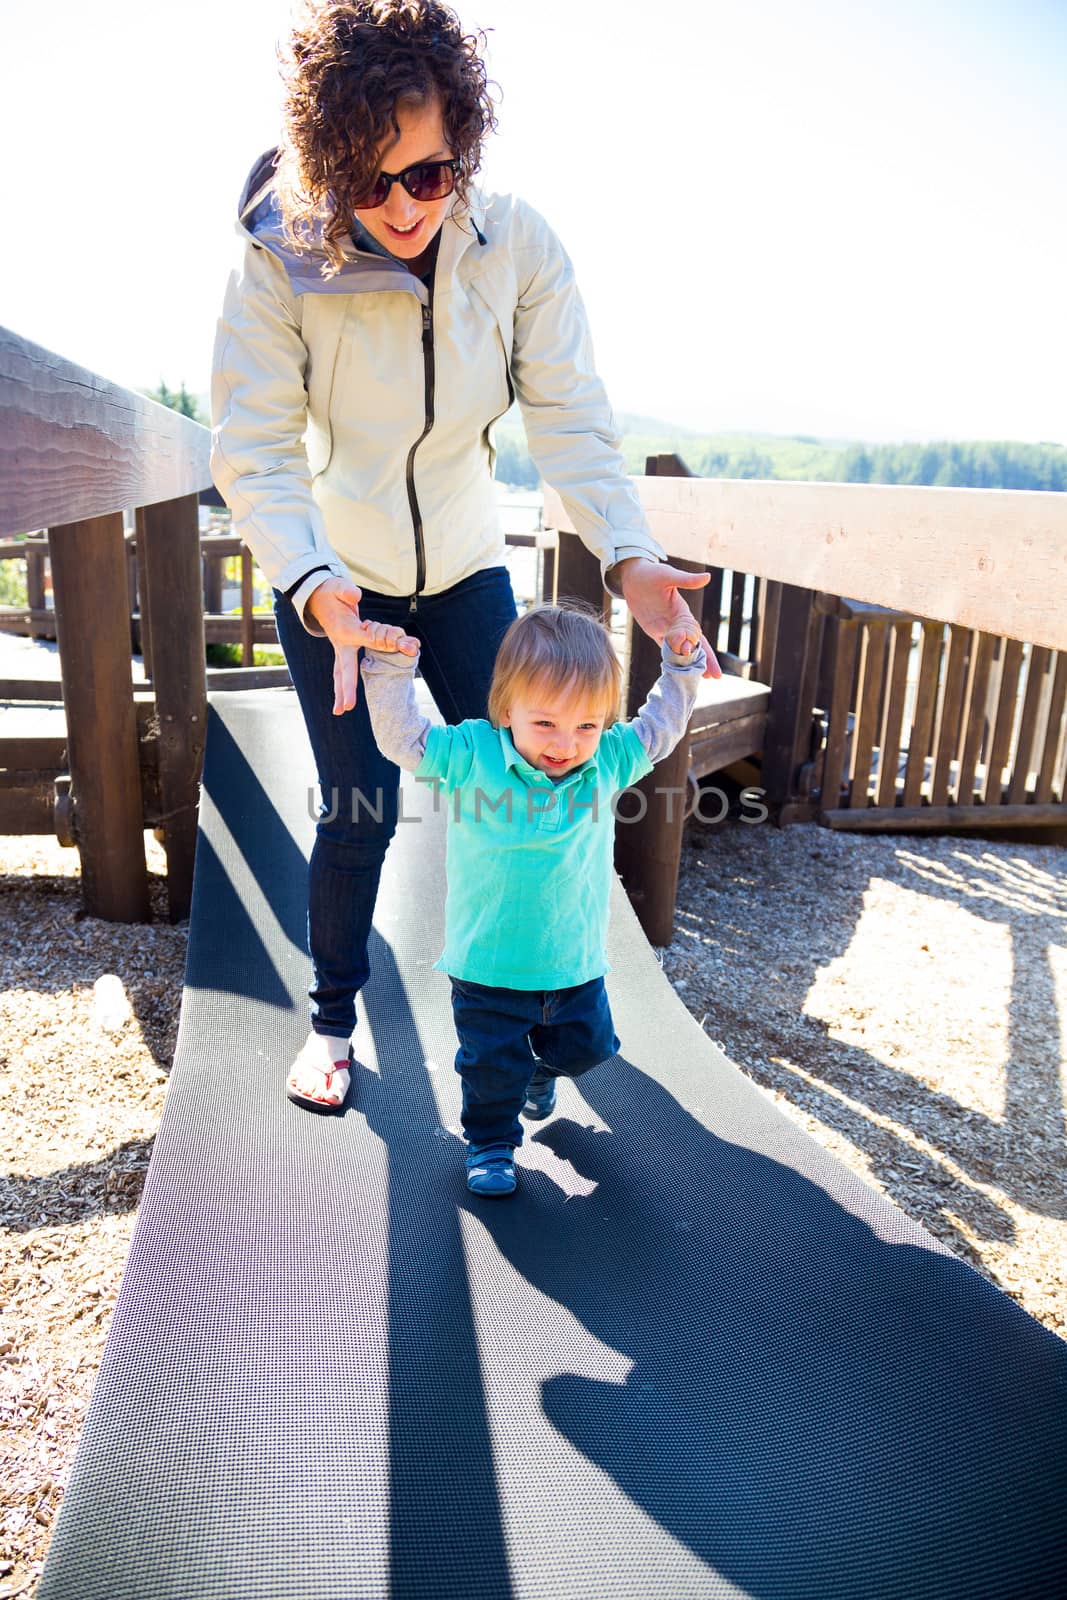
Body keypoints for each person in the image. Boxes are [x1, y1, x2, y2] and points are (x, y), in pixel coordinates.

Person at [209, 0, 719, 1112]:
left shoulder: (517, 247)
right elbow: (252, 444)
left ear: (465, 147)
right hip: (339, 580)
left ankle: (537, 998)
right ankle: (333, 1019)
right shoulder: (280, 256)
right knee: (360, 803)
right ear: (324, 166)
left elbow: (571, 419)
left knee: (539, 777)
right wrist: (310, 582)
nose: (399, 207)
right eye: (367, 180)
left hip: (467, 568)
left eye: (428, 176)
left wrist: (629, 557)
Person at [356, 601, 707, 1194]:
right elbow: (403, 739)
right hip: (488, 966)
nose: (566, 743)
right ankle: (491, 1145)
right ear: (506, 708)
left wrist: (682, 666)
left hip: (572, 964)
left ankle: (542, 1069)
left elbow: (660, 728)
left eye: (587, 725)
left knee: (590, 1050)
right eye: (545, 723)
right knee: (490, 1070)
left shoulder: (608, 762)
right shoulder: (473, 756)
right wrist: (391, 672)